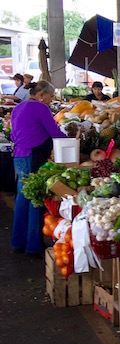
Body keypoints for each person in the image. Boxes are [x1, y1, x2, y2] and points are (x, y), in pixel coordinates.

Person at [10, 80, 67, 256]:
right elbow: (55, 132)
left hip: (19, 156)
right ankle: (33, 246)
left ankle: (17, 242)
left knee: (22, 198)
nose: (51, 100)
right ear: (41, 95)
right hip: (33, 157)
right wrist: (73, 141)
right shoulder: (41, 108)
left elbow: (13, 134)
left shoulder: (18, 108)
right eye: (50, 97)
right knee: (36, 199)